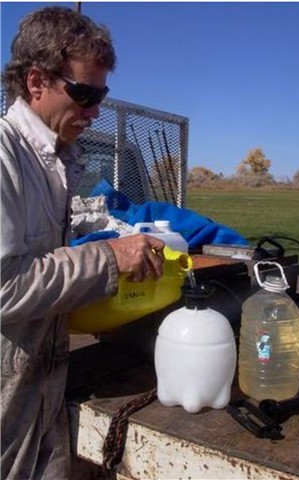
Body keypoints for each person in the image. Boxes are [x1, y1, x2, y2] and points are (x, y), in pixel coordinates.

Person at [0, 6, 165, 479]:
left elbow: (45, 260)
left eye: (102, 94)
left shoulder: (56, 161)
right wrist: (108, 258)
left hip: (40, 399)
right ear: (36, 83)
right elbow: (6, 286)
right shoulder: (6, 156)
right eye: (85, 93)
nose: (95, 111)